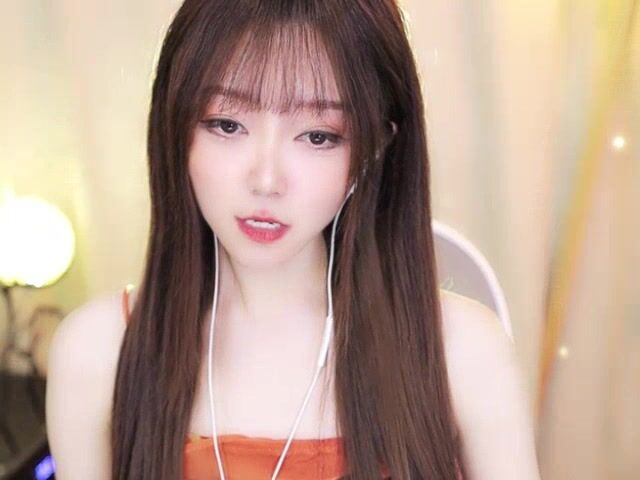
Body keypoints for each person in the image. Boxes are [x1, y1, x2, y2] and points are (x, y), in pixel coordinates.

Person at [45, 0, 541, 479]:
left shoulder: (462, 351)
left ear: (376, 146)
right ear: (174, 126)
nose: (266, 180)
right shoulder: (99, 351)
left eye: (318, 136)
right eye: (227, 124)